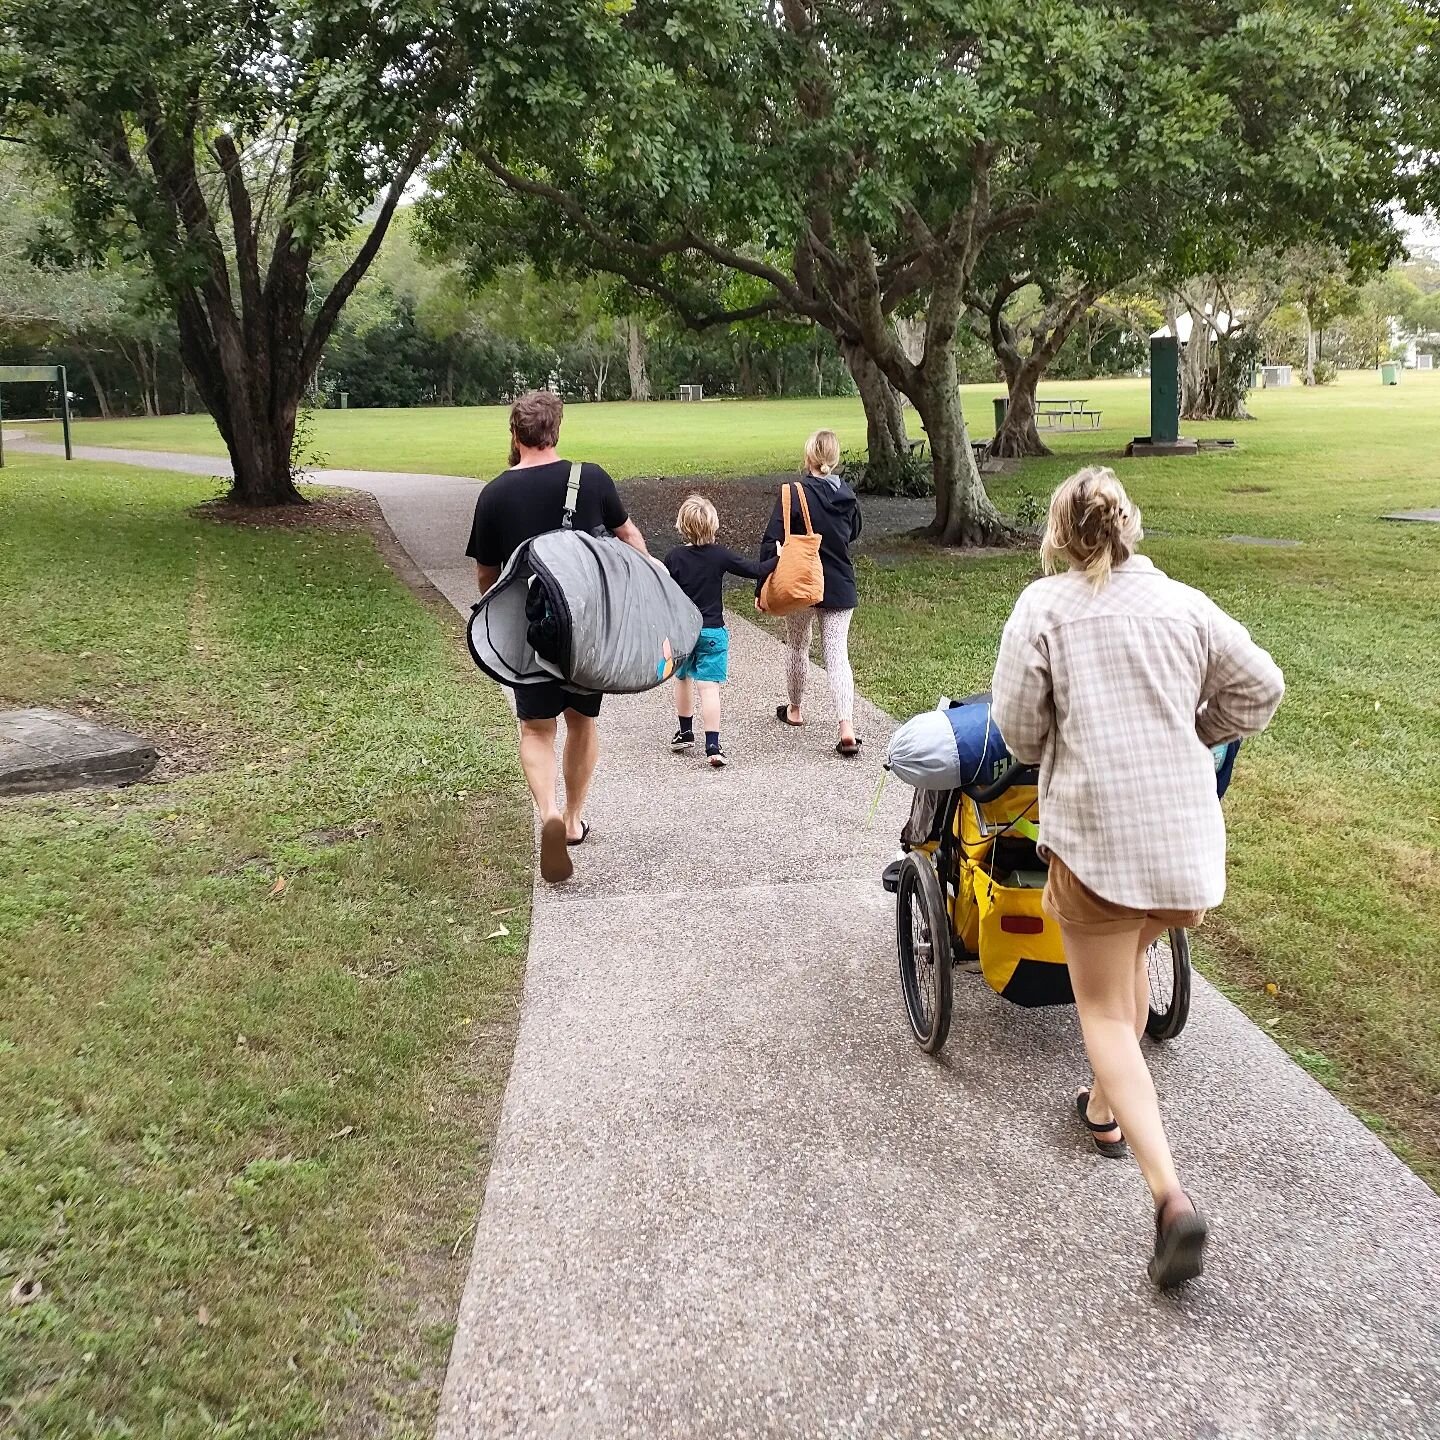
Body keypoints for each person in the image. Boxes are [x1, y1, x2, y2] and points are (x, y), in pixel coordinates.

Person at [992, 465, 1284, 1289]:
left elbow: (1017, 732)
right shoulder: (1184, 604)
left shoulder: (1043, 609)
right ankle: (1100, 1108)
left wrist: (1064, 736)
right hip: (1184, 857)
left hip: (1099, 846)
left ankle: (1168, 1198)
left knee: (1103, 1012)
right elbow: (1262, 687)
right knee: (1122, 967)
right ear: (1129, 525)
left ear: (1058, 532)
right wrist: (1201, 730)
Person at [466, 389, 649, 885]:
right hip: (585, 631)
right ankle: (572, 821)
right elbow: (631, 539)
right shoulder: (590, 478)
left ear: (514, 434)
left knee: (535, 728)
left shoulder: (494, 494)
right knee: (582, 722)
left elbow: (486, 575)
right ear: (557, 430)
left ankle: (547, 812)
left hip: (529, 632)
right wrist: (646, 589)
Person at [760, 429, 864, 756]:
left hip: (800, 582)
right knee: (837, 656)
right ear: (833, 459)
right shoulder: (847, 495)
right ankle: (846, 725)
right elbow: (854, 532)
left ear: (808, 457)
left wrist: (761, 586)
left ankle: (795, 709)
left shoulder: (795, 493)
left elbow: (771, 540)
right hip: (838, 583)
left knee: (798, 645)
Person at [663, 493, 777, 768]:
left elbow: (663, 594)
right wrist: (778, 558)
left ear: (682, 526)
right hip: (712, 631)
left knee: (682, 678)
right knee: (709, 688)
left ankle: (685, 730)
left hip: (683, 633)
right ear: (713, 526)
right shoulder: (719, 555)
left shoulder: (674, 558)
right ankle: (712, 745)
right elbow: (754, 569)